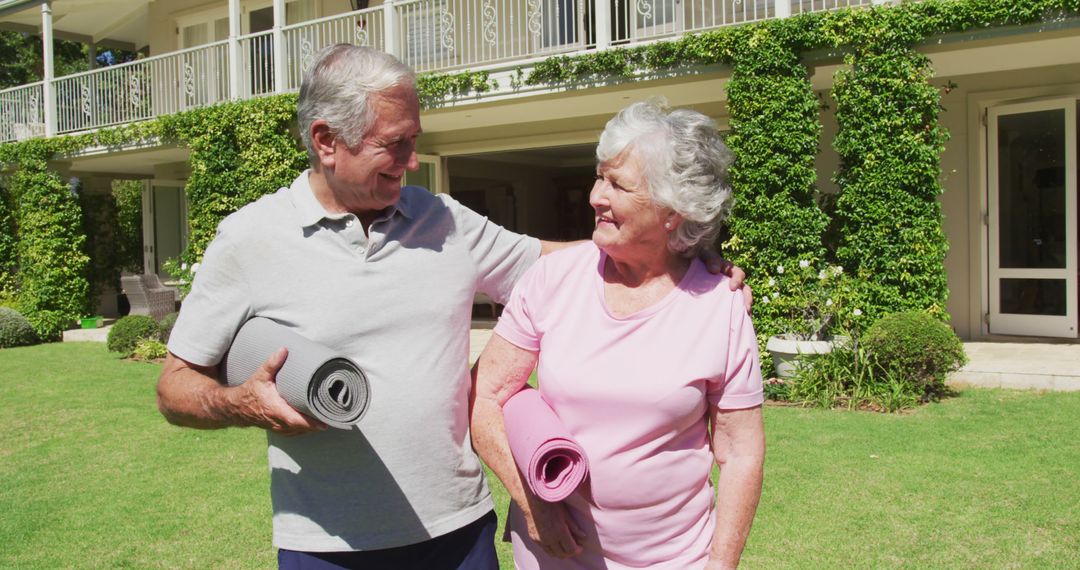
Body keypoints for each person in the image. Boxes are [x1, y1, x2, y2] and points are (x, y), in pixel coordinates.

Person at [157, 44, 747, 569]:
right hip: (327, 543)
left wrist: (683, 260)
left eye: (416, 139)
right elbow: (174, 387)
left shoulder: (443, 221)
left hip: (457, 535)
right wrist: (240, 404)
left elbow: (563, 261)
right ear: (325, 140)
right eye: (395, 144)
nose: (413, 160)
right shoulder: (249, 239)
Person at [470, 100, 766, 569]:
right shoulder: (554, 279)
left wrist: (721, 566)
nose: (594, 196)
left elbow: (740, 451)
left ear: (673, 211)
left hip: (674, 559)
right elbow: (485, 395)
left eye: (618, 184)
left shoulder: (720, 305)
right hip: (554, 554)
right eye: (599, 176)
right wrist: (534, 504)